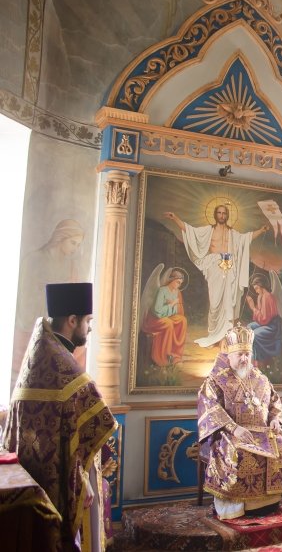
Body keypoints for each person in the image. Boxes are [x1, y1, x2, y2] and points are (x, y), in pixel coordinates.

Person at [4, 283, 117, 551]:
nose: (90, 328)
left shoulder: (40, 356)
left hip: (33, 476)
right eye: (88, 321)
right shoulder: (67, 372)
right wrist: (82, 481)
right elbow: (101, 422)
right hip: (60, 478)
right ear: (72, 320)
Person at [197, 322, 282, 519]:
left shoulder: (259, 378)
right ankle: (235, 508)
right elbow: (210, 407)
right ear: (229, 355)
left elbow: (274, 401)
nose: (244, 358)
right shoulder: (215, 380)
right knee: (240, 452)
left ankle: (271, 502)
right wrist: (234, 428)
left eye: (247, 354)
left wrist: (275, 419)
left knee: (281, 443)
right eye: (240, 354)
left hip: (263, 431)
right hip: (228, 433)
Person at [164, 205, 268, 347]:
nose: (221, 215)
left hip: (229, 266)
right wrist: (175, 218)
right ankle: (214, 334)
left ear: (227, 215)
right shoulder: (209, 231)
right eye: (219, 213)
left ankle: (227, 336)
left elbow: (246, 238)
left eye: (224, 213)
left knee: (228, 300)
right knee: (215, 301)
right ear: (215, 214)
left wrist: (261, 231)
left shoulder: (233, 234)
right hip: (214, 266)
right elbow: (189, 231)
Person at [13, 218, 87, 389]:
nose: (75, 249)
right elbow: (26, 297)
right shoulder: (34, 260)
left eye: (78, 245)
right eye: (73, 242)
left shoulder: (71, 266)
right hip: (32, 325)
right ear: (61, 237)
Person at [142, 267, 188, 366]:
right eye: (178, 282)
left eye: (180, 283)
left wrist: (173, 306)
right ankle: (163, 357)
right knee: (168, 323)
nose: (179, 285)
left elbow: (176, 312)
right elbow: (157, 311)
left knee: (182, 320)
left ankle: (176, 356)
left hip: (168, 316)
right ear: (172, 280)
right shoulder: (162, 291)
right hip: (154, 320)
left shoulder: (177, 292)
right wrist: (171, 305)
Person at [245, 273, 282, 365]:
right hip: (266, 322)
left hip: (272, 326)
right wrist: (255, 306)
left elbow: (264, 319)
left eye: (257, 288)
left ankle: (258, 360)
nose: (256, 291)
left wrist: (253, 308)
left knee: (253, 334)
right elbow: (259, 317)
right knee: (249, 327)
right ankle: (253, 356)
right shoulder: (260, 297)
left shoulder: (267, 297)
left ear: (261, 286)